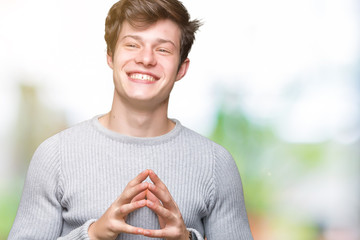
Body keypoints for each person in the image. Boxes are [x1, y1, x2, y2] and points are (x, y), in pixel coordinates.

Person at [9, 0, 253, 239]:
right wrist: (92, 235)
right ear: (110, 56)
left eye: (163, 49)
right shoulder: (55, 156)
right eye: (133, 45)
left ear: (181, 68)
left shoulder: (216, 165)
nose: (146, 59)